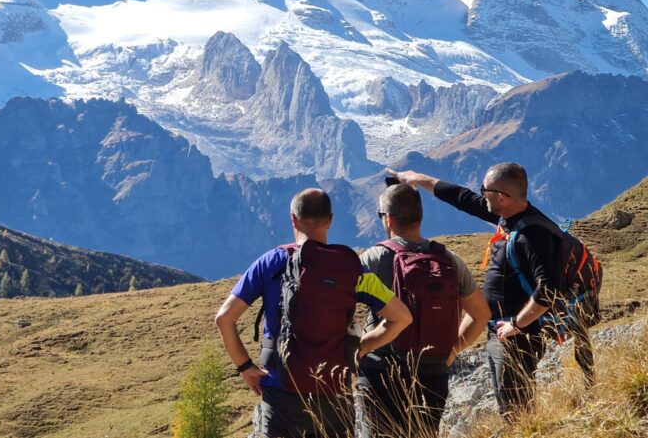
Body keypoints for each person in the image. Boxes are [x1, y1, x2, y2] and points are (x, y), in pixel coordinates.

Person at [215, 188, 413, 438]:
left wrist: (245, 367)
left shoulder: (272, 262)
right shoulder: (352, 269)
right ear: (330, 220)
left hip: (280, 393)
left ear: (293, 219)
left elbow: (224, 318)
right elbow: (402, 317)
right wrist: (360, 348)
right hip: (334, 394)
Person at [389, 163, 562, 419]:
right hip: (500, 332)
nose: (481, 194)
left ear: (502, 197)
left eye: (485, 190)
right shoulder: (508, 216)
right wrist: (417, 179)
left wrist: (516, 324)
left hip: (519, 338)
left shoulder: (531, 235)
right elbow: (462, 198)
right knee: (510, 404)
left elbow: (549, 289)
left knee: (515, 408)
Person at [357, 183, 491, 437]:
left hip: (382, 372)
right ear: (420, 216)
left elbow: (338, 301)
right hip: (433, 372)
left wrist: (359, 346)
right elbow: (481, 314)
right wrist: (453, 349)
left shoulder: (373, 259)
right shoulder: (449, 259)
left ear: (389, 219)